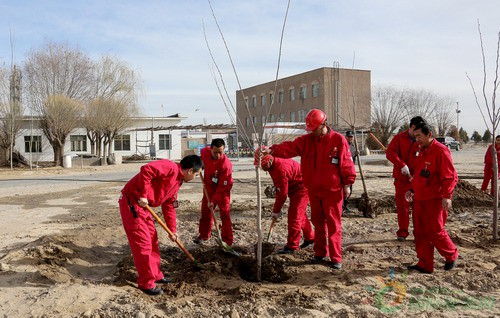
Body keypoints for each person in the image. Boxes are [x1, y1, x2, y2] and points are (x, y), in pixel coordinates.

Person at [260, 109, 356, 270]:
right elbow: (289, 148)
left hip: (332, 191)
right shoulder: (306, 141)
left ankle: (335, 258)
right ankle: (319, 254)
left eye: (314, 129)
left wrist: (347, 184)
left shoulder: (338, 141)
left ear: (324, 124)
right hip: (313, 189)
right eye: (310, 129)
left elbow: (346, 163)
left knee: (333, 224)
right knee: (318, 223)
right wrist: (272, 150)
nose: (311, 132)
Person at [119, 155, 203, 296]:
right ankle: (146, 283)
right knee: (143, 244)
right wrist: (144, 194)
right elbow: (146, 169)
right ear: (189, 171)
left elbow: (169, 206)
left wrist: (172, 230)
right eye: (196, 174)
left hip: (144, 207)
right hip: (132, 203)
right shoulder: (170, 167)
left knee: (153, 240)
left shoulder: (178, 182)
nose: (195, 177)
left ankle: (156, 275)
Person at [406, 121, 459, 274]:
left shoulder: (441, 152)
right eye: (415, 137)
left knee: (435, 230)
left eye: (419, 136)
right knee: (420, 231)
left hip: (435, 199)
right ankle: (425, 263)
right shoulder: (420, 150)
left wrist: (447, 196)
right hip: (420, 198)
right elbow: (419, 174)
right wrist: (412, 189)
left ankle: (451, 254)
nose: (417, 140)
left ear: (429, 134)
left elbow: (450, 177)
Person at [254, 151, 315, 253]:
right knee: (301, 215)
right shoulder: (272, 165)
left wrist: (276, 211)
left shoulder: (280, 170)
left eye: (263, 165)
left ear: (269, 160)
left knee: (294, 217)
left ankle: (292, 246)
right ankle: (310, 238)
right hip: (295, 187)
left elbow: (282, 195)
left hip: (302, 188)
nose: (261, 167)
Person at [386, 116, 425, 241]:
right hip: (402, 179)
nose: (419, 135)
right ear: (412, 127)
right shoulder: (398, 138)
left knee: (418, 207)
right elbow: (390, 153)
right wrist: (401, 165)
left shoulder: (422, 140)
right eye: (418, 131)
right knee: (403, 207)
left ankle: (419, 232)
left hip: (417, 179)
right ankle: (402, 232)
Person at [195, 138, 234, 246]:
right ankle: (204, 235)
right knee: (205, 212)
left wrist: (214, 200)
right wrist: (198, 166)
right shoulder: (205, 151)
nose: (218, 155)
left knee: (225, 215)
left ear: (224, 150)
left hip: (223, 190)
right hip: (208, 188)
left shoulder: (226, 165)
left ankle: (227, 241)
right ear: (210, 149)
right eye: (215, 152)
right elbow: (200, 159)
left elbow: (223, 187)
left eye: (220, 152)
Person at [342, 130, 358, 214]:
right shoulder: (343, 145)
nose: (350, 138)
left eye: (351, 137)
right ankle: (342, 207)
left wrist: (356, 153)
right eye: (348, 137)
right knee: (344, 190)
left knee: (350, 189)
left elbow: (353, 158)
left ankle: (345, 206)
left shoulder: (352, 146)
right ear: (346, 137)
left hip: (350, 170)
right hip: (344, 170)